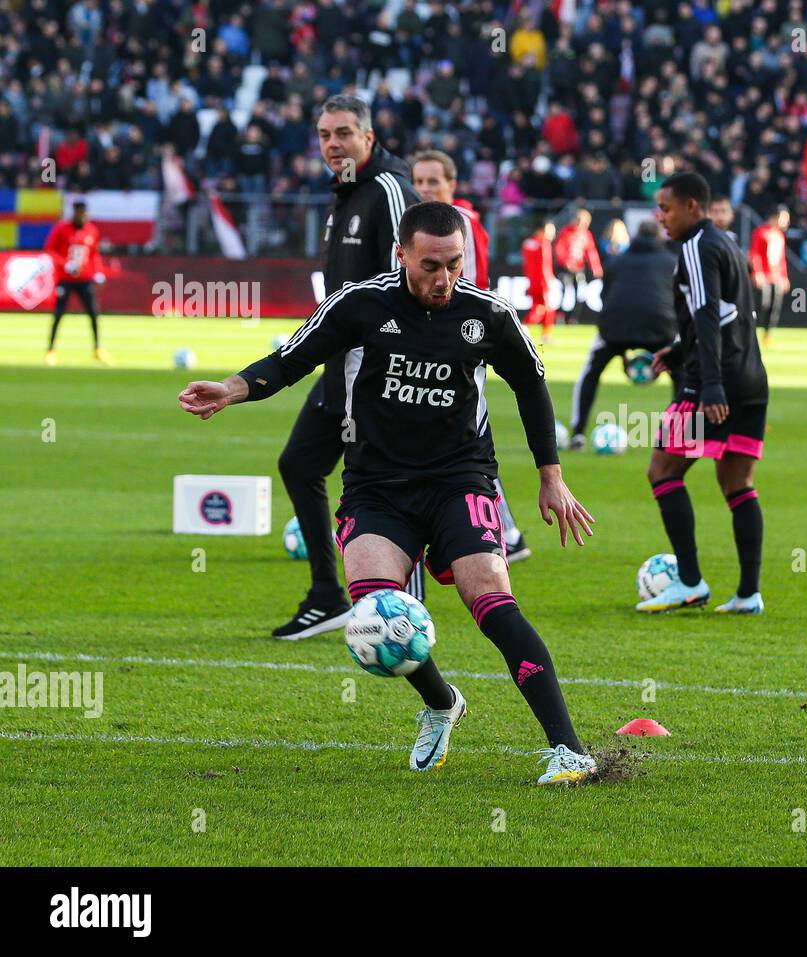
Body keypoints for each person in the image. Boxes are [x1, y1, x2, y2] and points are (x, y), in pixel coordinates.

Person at [178, 201, 599, 786]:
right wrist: (231, 388)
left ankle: (569, 750)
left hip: (461, 479)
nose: (444, 279)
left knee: (495, 605)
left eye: (455, 264)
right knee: (375, 616)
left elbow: (531, 384)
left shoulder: (488, 316)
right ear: (401, 254)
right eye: (430, 265)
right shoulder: (361, 304)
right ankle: (441, 702)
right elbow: (291, 360)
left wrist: (551, 476)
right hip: (377, 487)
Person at [271, 95, 421, 641]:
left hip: (376, 376)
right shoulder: (346, 195)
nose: (332, 145)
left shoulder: (387, 190)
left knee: (391, 484)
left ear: (368, 137)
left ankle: (404, 611)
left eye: (342, 134)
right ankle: (328, 596)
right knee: (299, 464)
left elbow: (403, 288)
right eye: (324, 135)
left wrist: (392, 369)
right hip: (341, 368)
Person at [643, 171, 769, 615]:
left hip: (713, 383)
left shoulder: (696, 246)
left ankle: (691, 582)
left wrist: (708, 383)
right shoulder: (727, 242)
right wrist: (678, 350)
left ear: (691, 206)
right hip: (752, 379)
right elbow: (729, 315)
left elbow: (709, 313)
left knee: (662, 471)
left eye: (666, 207)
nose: (661, 217)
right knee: (737, 483)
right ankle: (748, 593)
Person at [409, 148, 531, 563]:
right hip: (433, 347)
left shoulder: (462, 224)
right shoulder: (418, 226)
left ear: (451, 184)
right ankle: (498, 532)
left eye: (432, 181)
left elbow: (471, 285)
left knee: (468, 437)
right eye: (419, 181)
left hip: (463, 344)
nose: (424, 189)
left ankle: (505, 531)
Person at [569, 219, 679, 448]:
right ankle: (678, 436)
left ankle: (578, 433)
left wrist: (621, 353)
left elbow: (606, 298)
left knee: (589, 374)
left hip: (614, 327)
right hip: (661, 327)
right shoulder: (672, 262)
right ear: (660, 237)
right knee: (684, 374)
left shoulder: (616, 262)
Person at [44, 199, 109, 366]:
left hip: (84, 279)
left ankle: (98, 349)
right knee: (59, 314)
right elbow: (50, 250)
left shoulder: (92, 230)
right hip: (65, 279)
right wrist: (65, 263)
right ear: (74, 213)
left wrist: (99, 271)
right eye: (79, 212)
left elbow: (94, 254)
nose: (82, 216)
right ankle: (51, 350)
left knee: (93, 314)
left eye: (84, 213)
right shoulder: (62, 229)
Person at [748, 205, 790, 347]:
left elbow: (782, 258)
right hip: (764, 276)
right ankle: (752, 333)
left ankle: (768, 335)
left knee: (775, 307)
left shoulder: (779, 235)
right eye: (784, 218)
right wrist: (757, 272)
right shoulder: (760, 232)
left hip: (776, 276)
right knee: (762, 305)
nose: (786, 222)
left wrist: (784, 276)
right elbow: (754, 254)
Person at [553, 208, 603, 323]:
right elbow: (559, 249)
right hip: (565, 268)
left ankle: (573, 319)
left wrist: (596, 267)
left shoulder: (586, 234)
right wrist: (566, 262)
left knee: (580, 292)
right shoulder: (565, 232)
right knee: (564, 291)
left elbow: (591, 251)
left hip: (579, 268)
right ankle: (560, 317)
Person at [522, 221, 557, 342]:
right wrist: (549, 280)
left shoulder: (527, 243)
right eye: (550, 230)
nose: (552, 234)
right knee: (548, 308)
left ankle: (525, 327)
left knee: (538, 306)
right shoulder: (544, 244)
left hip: (532, 280)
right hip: (543, 280)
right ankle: (543, 333)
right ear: (541, 230)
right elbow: (545, 265)